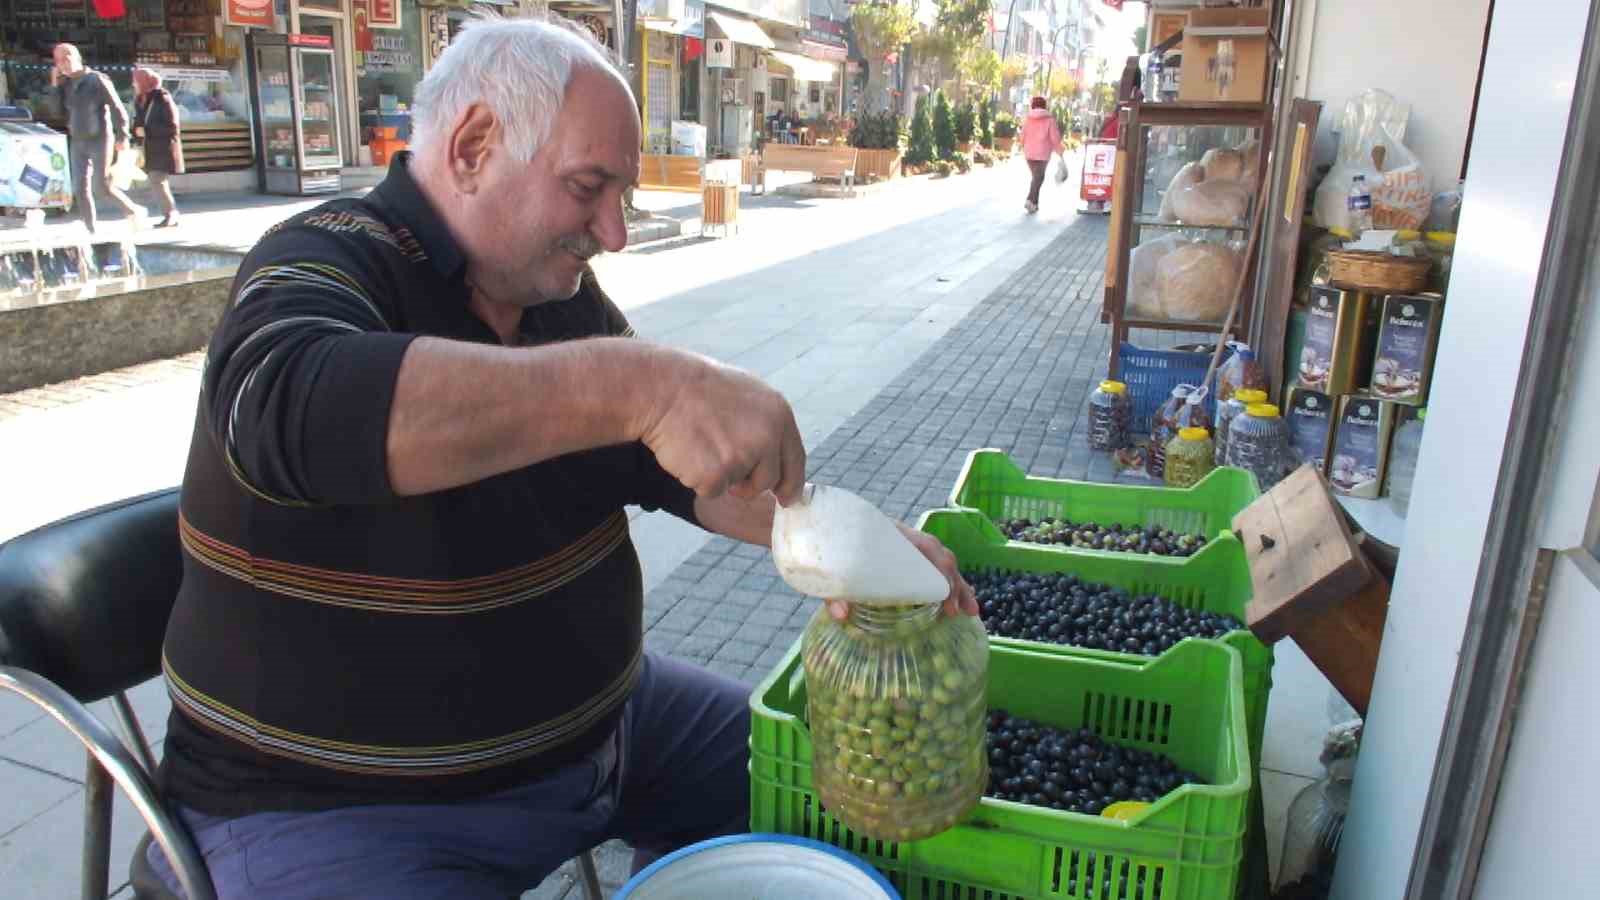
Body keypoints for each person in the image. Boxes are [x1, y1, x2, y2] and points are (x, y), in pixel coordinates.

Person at [146, 17, 976, 899]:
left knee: (833, 802)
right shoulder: (322, 259)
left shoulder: (551, 293)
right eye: (588, 188)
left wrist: (860, 550)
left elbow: (667, 462)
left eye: (622, 195)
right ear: (473, 147)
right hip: (336, 808)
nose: (613, 233)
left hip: (612, 733)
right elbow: (283, 406)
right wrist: (640, 384)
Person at [48, 43, 142, 232]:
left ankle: (132, 210)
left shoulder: (97, 79)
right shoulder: (65, 84)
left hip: (100, 138)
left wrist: (123, 135)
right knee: (79, 188)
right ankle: (90, 229)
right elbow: (55, 112)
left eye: (66, 58)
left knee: (101, 187)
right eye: (58, 60)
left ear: (77, 57)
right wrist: (54, 85)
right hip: (78, 140)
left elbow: (117, 108)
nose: (63, 64)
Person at [132, 67, 183, 228]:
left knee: (157, 180)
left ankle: (171, 215)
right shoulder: (141, 99)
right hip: (150, 149)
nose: (134, 84)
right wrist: (136, 131)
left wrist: (147, 131)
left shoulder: (162, 98)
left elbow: (172, 128)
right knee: (157, 181)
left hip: (163, 148)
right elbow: (139, 122)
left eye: (136, 81)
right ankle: (171, 214)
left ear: (144, 82)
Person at [1020, 96, 1064, 214]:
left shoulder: (1028, 119)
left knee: (1036, 178)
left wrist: (1023, 146)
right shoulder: (1049, 120)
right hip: (1042, 153)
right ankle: (1030, 200)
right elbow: (1054, 138)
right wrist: (1060, 151)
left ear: (1032, 106)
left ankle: (1034, 204)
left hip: (1029, 152)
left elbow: (1022, 136)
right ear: (1045, 106)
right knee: (1038, 178)